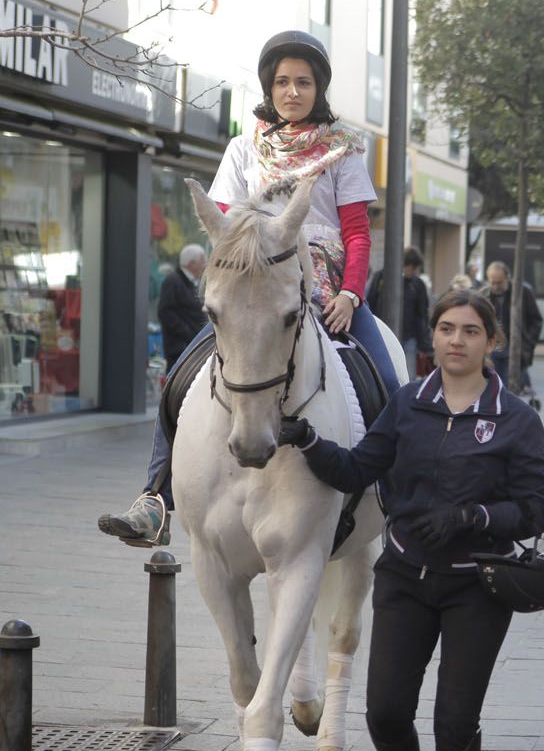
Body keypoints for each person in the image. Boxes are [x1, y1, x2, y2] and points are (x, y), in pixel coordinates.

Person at [277, 290, 544, 751]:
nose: (456, 340)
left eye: (470, 331)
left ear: (491, 343)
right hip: (404, 579)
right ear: (433, 338)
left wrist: (472, 515)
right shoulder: (408, 404)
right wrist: (304, 440)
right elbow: (356, 470)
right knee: (383, 715)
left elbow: (538, 509)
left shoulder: (515, 418)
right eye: (446, 329)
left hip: (476, 586)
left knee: (455, 724)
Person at [97, 29, 399, 548]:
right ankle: (154, 497)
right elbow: (225, 224)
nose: (292, 91)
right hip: (256, 283)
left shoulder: (345, 150)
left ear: (318, 87)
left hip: (328, 283)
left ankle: (399, 500)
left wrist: (351, 294)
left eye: (303, 82)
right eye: (282, 81)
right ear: (269, 86)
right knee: (179, 379)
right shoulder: (242, 148)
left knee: (389, 384)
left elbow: (356, 232)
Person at [481, 261, 543, 402]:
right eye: (493, 282)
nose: (496, 286)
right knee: (492, 387)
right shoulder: (484, 294)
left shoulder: (522, 292)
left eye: (499, 282)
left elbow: (536, 320)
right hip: (491, 349)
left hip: (515, 349)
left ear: (507, 277)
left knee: (511, 390)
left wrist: (528, 343)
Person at [368, 247, 432, 377]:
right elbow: (371, 302)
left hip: (409, 338)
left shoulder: (417, 284)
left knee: (408, 375)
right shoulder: (381, 277)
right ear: (405, 265)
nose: (414, 272)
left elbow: (422, 315)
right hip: (384, 334)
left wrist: (424, 344)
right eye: (413, 268)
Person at [156, 244, 208, 368]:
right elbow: (165, 313)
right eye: (202, 261)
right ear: (191, 263)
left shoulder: (192, 284)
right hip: (179, 351)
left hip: (192, 348)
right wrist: (187, 333)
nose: (204, 266)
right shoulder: (173, 281)